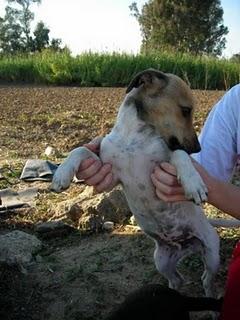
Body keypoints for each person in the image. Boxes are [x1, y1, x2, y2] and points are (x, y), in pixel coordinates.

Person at [77, 84, 240, 319]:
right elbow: (203, 166)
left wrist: (210, 187)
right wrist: (97, 163)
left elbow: (206, 181)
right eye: (184, 113)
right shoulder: (235, 102)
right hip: (165, 239)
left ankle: (209, 289)